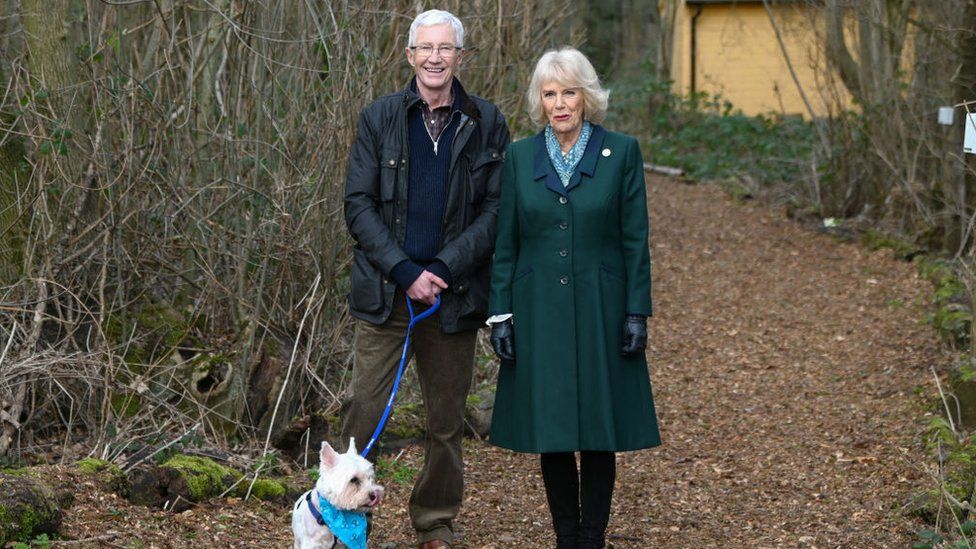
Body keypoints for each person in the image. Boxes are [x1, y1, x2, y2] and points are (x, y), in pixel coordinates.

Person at [341, 8, 510, 549]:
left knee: (445, 422)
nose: (435, 58)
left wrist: (441, 269)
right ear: (409, 55)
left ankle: (435, 523)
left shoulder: (487, 121)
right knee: (364, 412)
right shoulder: (380, 117)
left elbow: (496, 210)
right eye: (425, 48)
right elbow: (358, 204)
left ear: (461, 57)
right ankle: (343, 523)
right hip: (387, 294)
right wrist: (406, 270)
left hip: (453, 298)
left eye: (446, 49)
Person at [487, 47, 661, 549]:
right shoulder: (521, 157)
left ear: (587, 97)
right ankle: (567, 535)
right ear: (539, 100)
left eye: (568, 92)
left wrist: (637, 311)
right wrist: (501, 314)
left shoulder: (621, 152)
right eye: (549, 94)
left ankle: (592, 536)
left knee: (598, 427)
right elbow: (507, 242)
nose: (559, 103)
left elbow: (635, 239)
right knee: (555, 425)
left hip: (603, 307)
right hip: (538, 308)